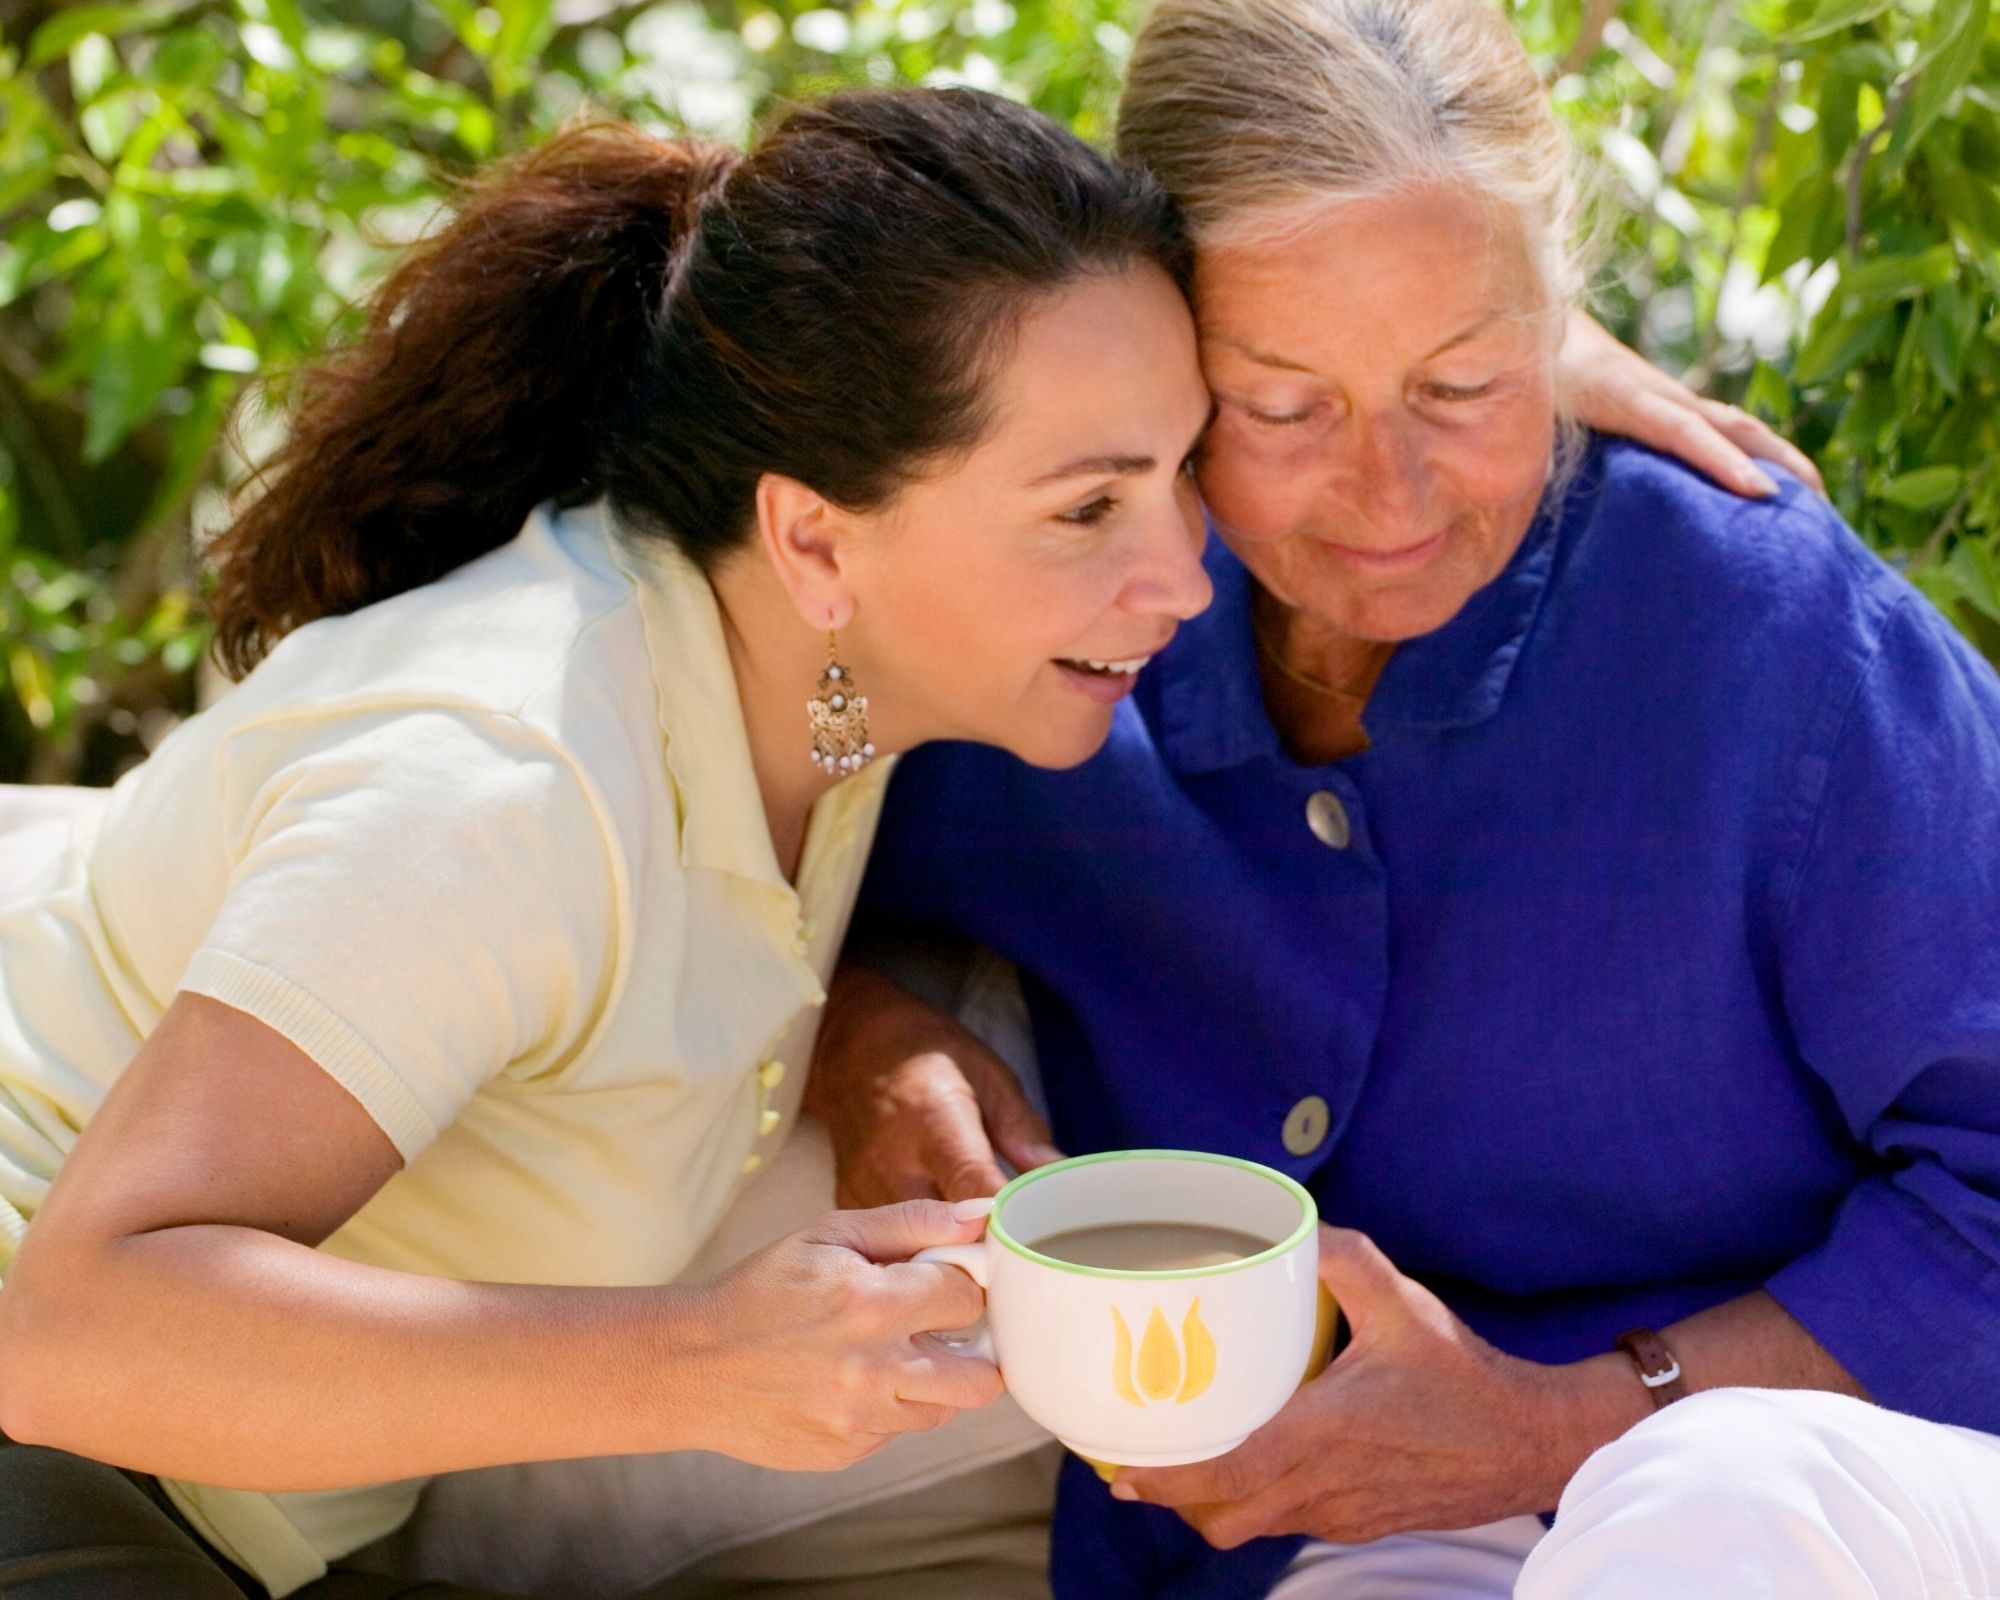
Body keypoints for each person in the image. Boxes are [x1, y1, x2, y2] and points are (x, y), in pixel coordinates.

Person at [812, 0, 2000, 1595]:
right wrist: (858, 1033)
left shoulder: (1764, 629)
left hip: (1798, 1477)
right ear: (1150, 342)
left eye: (1467, 386)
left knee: (1713, 1500)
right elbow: (783, 823)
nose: (1390, 501)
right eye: (1287, 405)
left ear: (1560, 321)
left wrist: (1564, 1421)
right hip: (1312, 1555)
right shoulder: (1061, 615)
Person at [0, 87, 1221, 1599]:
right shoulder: (501, 784)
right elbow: (67, 1336)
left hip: (250, 1519)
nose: (1184, 578)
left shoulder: (823, 701)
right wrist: (703, 1363)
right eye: (1091, 505)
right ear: (817, 541)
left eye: (1185, 470)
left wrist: (866, 1029)